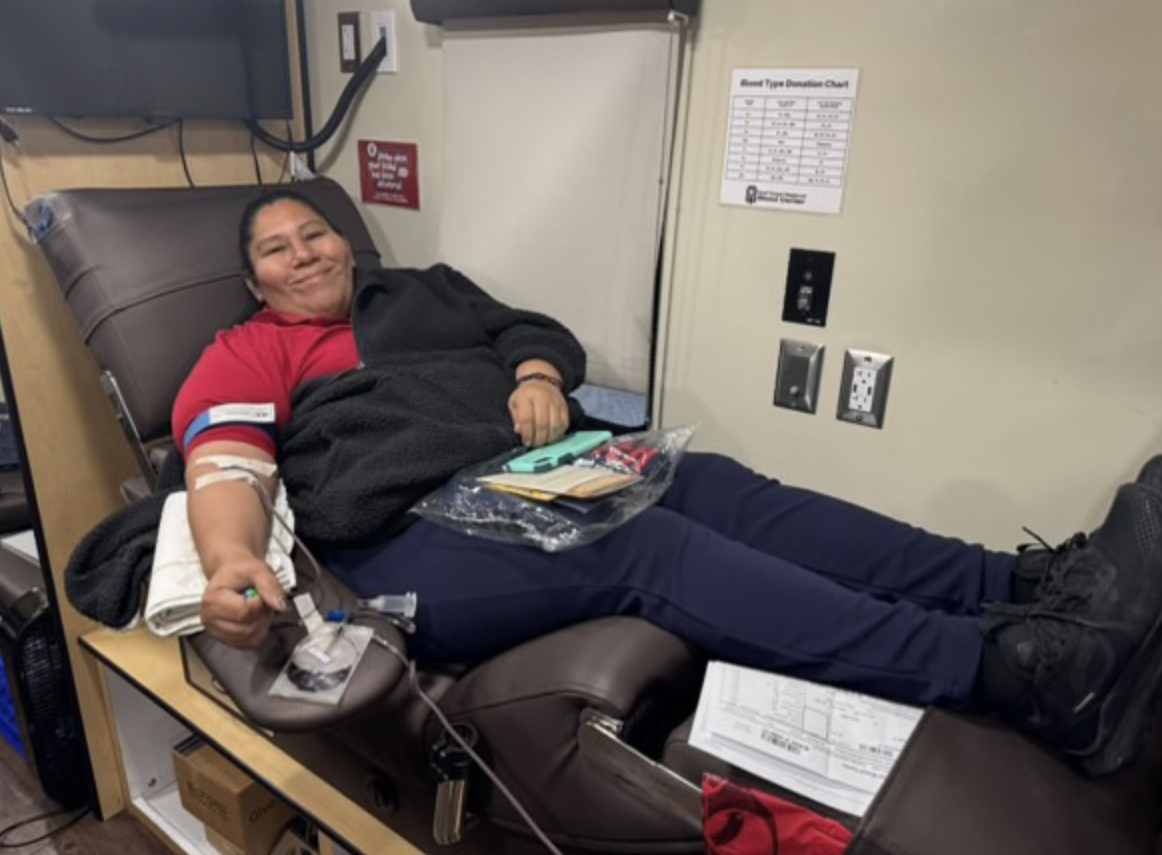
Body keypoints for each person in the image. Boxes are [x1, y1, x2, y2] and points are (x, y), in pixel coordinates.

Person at [175, 189, 1162, 778]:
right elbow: (226, 465)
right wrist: (226, 560)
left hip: (521, 475)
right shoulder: (248, 352)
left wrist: (530, 374)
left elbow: (530, 331)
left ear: (347, 240)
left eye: (316, 232)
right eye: (277, 246)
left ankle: (1017, 587)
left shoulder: (422, 290)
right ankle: (1017, 674)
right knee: (636, 544)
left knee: (706, 482)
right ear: (254, 281)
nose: (305, 252)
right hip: (408, 534)